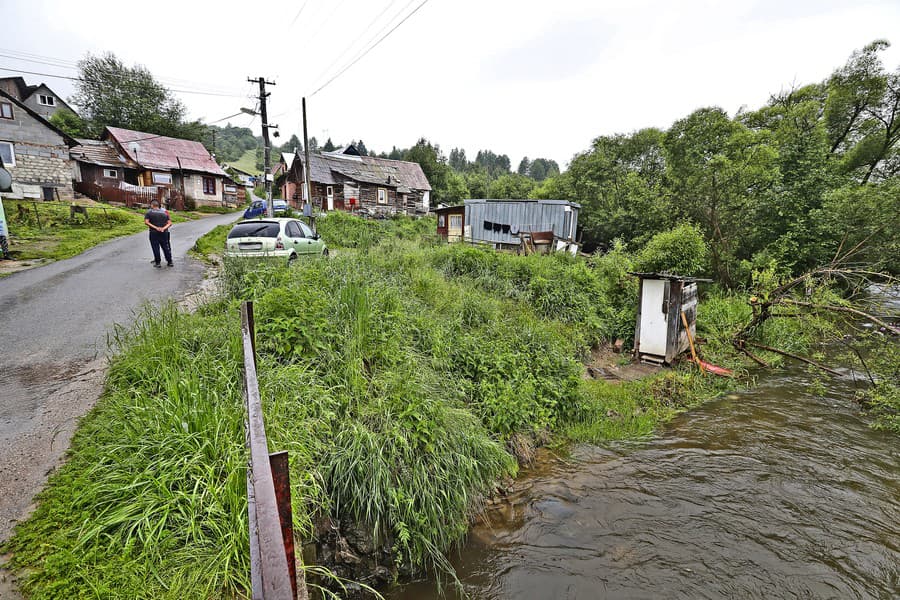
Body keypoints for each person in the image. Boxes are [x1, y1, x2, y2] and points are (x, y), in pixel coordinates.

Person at [144, 200, 173, 267]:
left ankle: (158, 263)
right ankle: (170, 262)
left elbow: (146, 222)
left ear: (152, 205)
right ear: (158, 205)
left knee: (155, 248)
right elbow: (170, 223)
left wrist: (156, 228)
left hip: (153, 233)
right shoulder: (165, 212)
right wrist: (163, 228)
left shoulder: (149, 212)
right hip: (164, 233)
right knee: (166, 247)